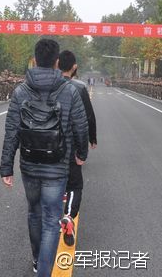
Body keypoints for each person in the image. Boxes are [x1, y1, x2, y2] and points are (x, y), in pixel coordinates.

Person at [0, 39, 88, 276]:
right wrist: (81, 154)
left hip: (29, 165)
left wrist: (6, 168)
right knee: (51, 220)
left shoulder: (20, 91)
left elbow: (11, 132)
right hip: (57, 167)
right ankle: (44, 271)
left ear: (35, 60)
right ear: (57, 62)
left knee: (34, 213)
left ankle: (38, 260)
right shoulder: (69, 90)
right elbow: (81, 126)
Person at [57, 50, 97, 247]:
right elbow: (86, 118)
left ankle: (48, 216)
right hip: (70, 144)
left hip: (45, 146)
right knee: (74, 185)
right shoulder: (79, 88)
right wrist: (90, 140)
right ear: (74, 67)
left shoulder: (43, 86)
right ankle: (69, 216)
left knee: (50, 182)